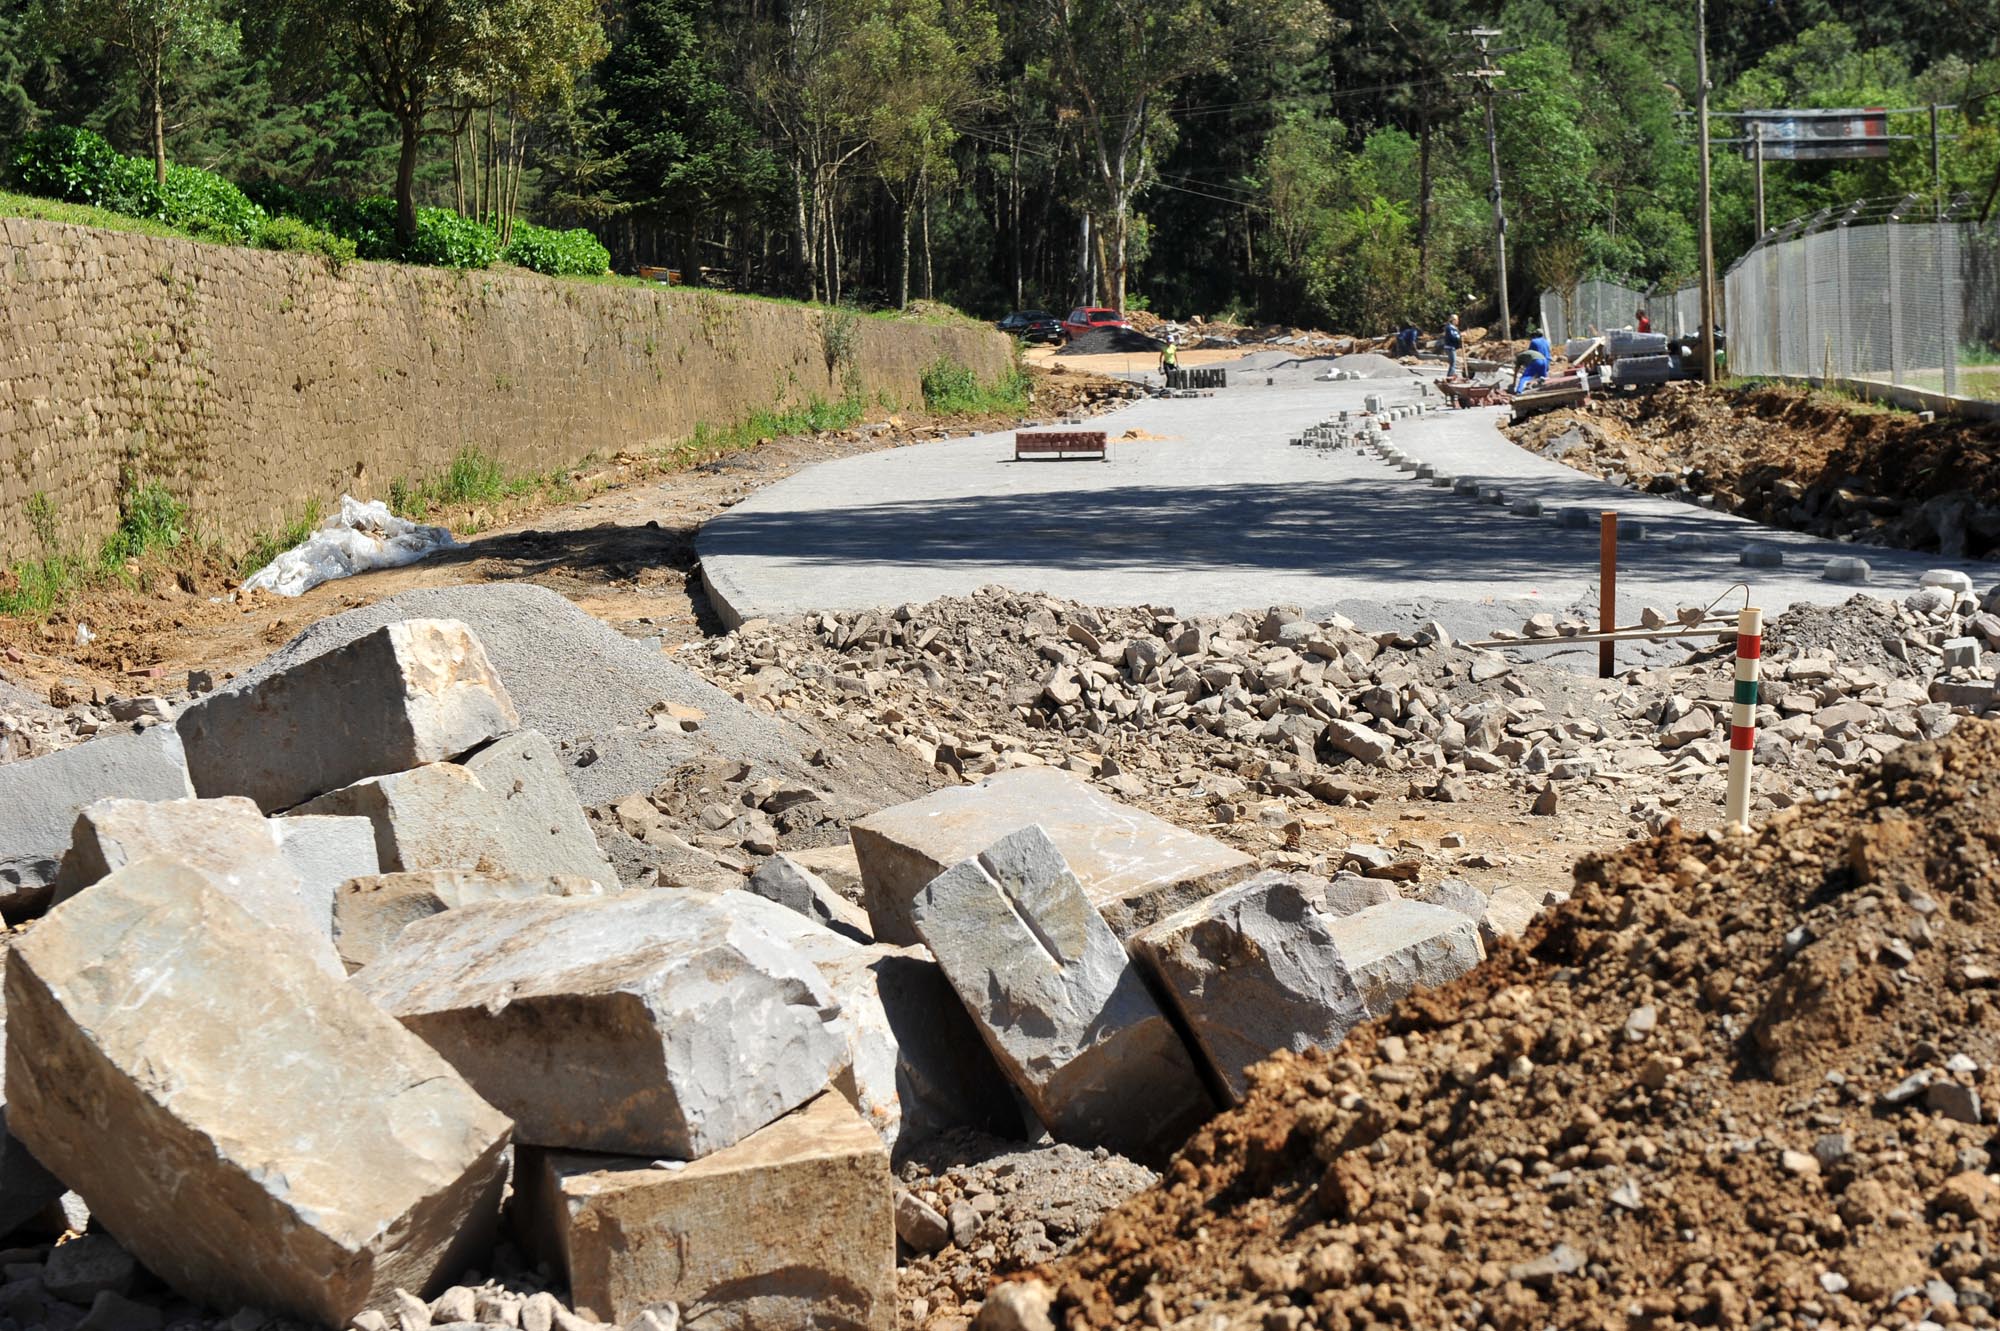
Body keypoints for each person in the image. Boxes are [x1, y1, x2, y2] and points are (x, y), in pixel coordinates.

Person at [1514, 327, 1553, 394]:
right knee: (1543, 378)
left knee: (1525, 377)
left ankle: (1519, 391)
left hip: (1537, 360)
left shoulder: (1534, 341)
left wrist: (1514, 382)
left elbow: (1531, 352)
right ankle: (1545, 391)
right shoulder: (1547, 342)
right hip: (1546, 361)